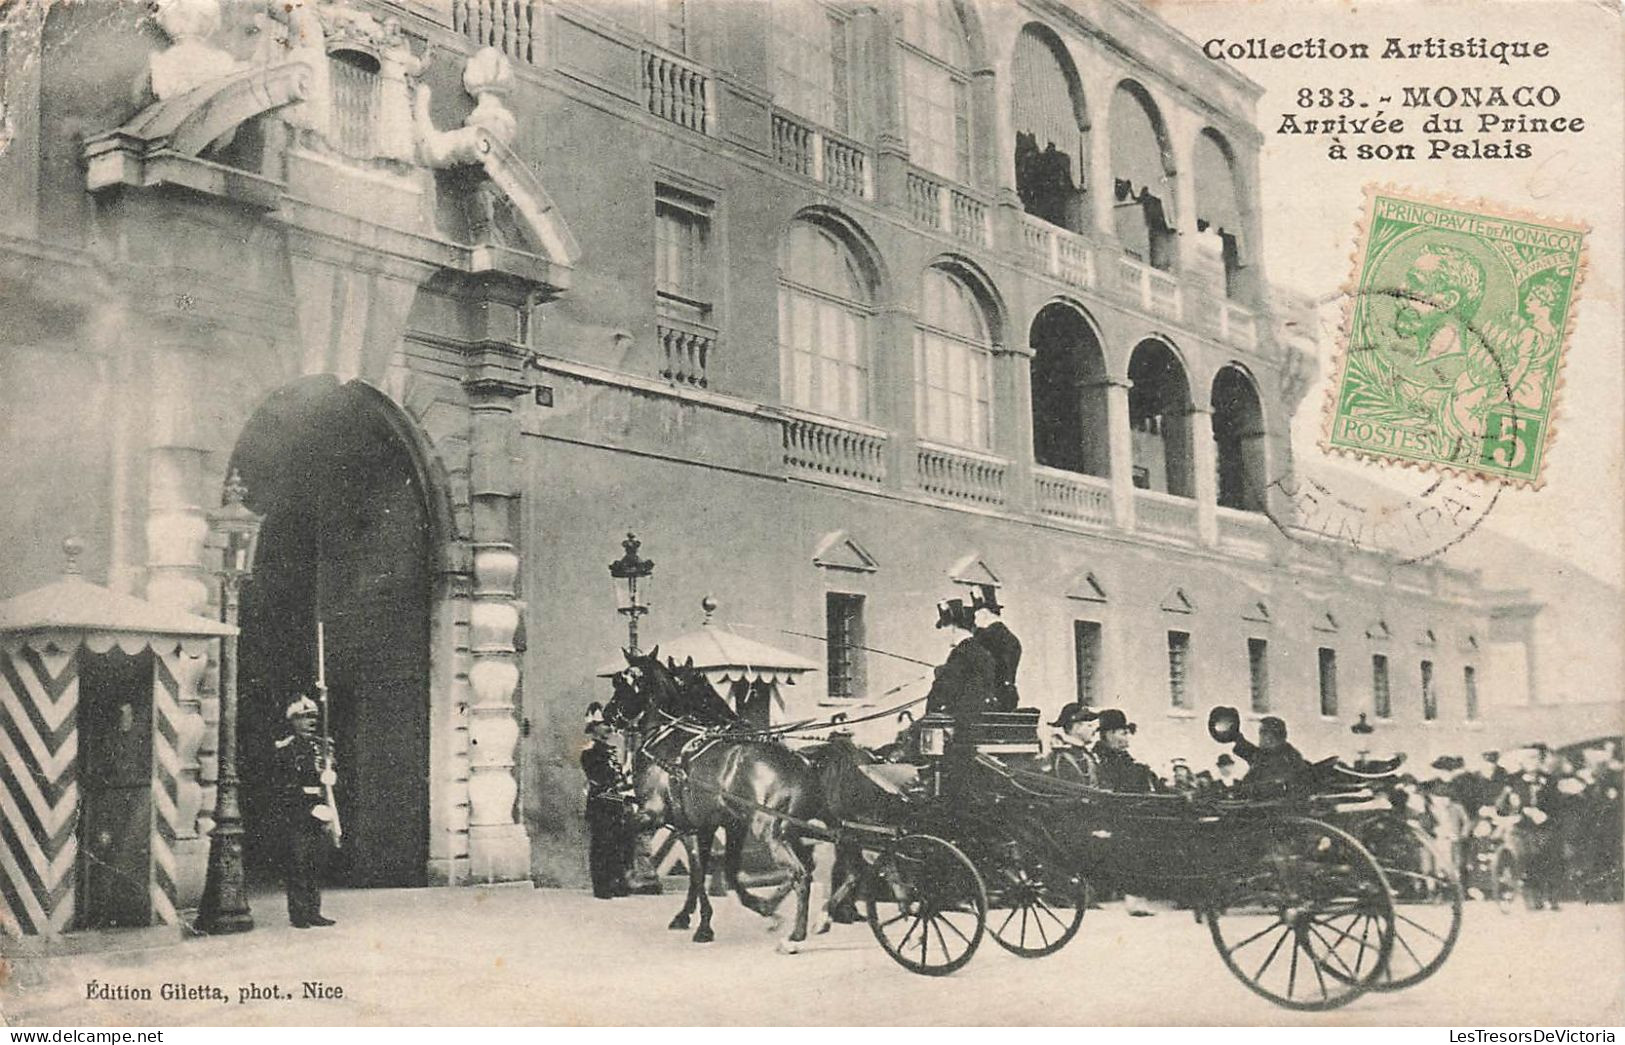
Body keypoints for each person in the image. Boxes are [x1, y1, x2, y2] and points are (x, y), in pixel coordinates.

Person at [272, 694, 337, 929]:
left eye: (314, 718)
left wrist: (329, 777)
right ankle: (299, 914)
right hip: (297, 813)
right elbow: (284, 785)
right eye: (305, 718)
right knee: (297, 863)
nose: (311, 722)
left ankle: (314, 911)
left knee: (315, 863)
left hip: (320, 810)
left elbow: (327, 781)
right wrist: (309, 807)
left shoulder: (322, 746)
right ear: (293, 721)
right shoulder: (286, 748)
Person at [580, 703, 634, 899]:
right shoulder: (590, 751)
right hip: (601, 803)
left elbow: (617, 776)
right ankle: (602, 887)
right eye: (604, 724)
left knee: (617, 844)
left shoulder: (610, 750)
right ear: (594, 727)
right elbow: (599, 781)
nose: (609, 728)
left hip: (614, 802)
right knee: (602, 844)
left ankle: (617, 883)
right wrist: (619, 796)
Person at [968, 585, 1022, 712]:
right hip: (1004, 688)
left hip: (999, 690)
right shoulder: (1001, 634)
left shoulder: (993, 633)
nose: (975, 621)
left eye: (977, 617)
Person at [1230, 715, 1310, 785]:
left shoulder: (1286, 759)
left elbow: (1269, 783)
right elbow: (1253, 753)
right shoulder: (1274, 752)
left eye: (1262, 732)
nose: (1260, 736)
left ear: (1270, 738)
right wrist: (1237, 739)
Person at [1093, 709, 1158, 794]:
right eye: (1124, 734)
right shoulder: (1098, 759)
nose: (1127, 740)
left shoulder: (1123, 758)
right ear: (1109, 734)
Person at [1046, 703, 1099, 786]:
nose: (1094, 730)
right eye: (1090, 726)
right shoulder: (1065, 756)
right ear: (1077, 728)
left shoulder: (1081, 753)